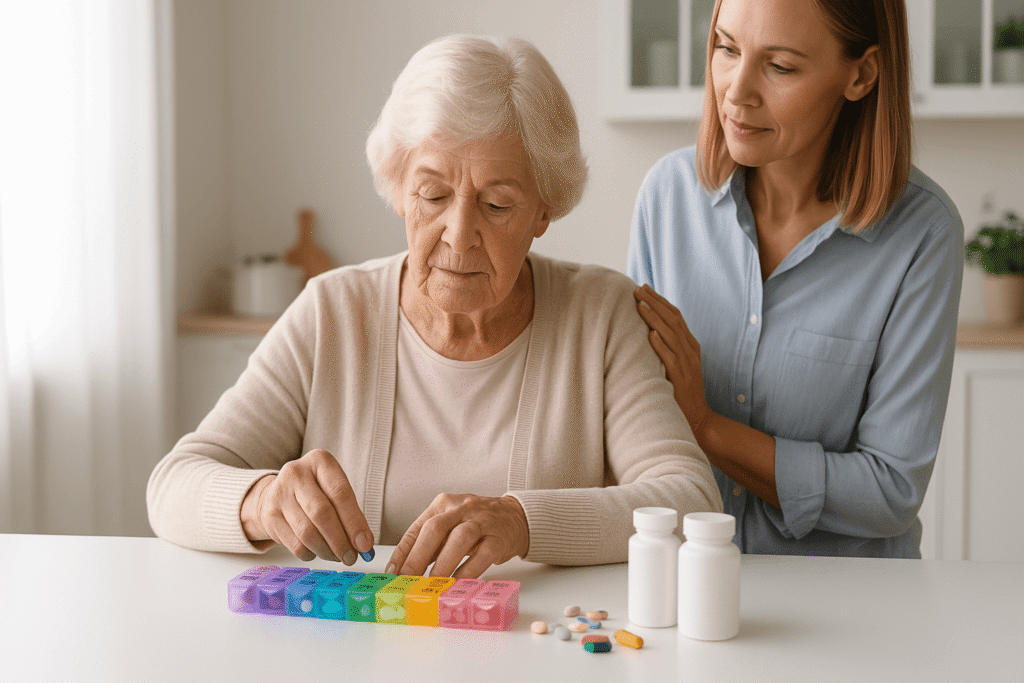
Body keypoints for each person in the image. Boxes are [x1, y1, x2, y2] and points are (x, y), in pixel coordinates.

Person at [148, 35, 722, 579]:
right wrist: (263, 499)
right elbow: (173, 486)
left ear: (544, 211)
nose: (458, 233)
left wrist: (523, 522)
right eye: (433, 195)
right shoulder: (332, 311)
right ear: (398, 188)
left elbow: (687, 497)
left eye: (497, 204)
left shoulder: (602, 316)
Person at [628, 0, 963, 558]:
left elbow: (890, 492)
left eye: (779, 66)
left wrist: (706, 428)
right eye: (726, 48)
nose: (736, 91)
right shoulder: (668, 198)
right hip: (684, 592)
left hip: (847, 613)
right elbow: (632, 421)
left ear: (860, 74)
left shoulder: (922, 235)